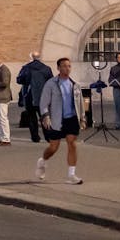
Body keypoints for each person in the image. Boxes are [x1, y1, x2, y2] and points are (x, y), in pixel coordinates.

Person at [36, 57, 84, 185]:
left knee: (72, 144)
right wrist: (45, 116)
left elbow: (80, 103)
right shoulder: (51, 84)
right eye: (64, 66)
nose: (67, 68)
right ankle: (43, 161)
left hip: (71, 118)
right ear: (58, 68)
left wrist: (82, 118)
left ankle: (71, 175)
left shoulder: (75, 85)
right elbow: (44, 102)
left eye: (69, 66)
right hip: (56, 119)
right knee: (53, 147)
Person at [16, 52, 54, 143]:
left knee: (32, 118)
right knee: (44, 117)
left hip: (29, 96)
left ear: (31, 57)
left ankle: (35, 137)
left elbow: (19, 80)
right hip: (43, 97)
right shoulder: (46, 68)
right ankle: (48, 137)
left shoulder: (26, 68)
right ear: (39, 58)